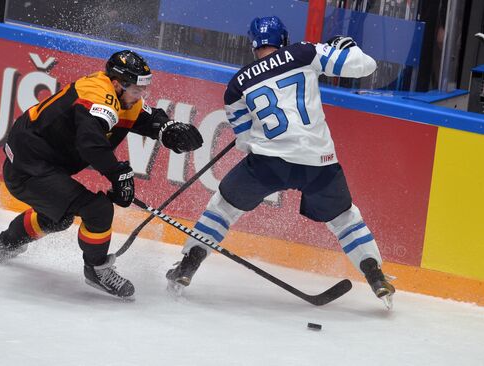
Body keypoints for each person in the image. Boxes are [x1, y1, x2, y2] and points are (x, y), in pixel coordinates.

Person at [166, 16, 395, 308]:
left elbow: (245, 140)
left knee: (223, 208)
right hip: (319, 163)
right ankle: (376, 277)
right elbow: (366, 65)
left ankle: (188, 265)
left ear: (253, 45)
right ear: (283, 39)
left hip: (268, 163)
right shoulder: (304, 52)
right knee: (345, 218)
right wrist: (346, 47)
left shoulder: (237, 85)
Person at [0, 50, 203, 299]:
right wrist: (118, 174)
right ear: (118, 83)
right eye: (138, 89)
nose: (142, 95)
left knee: (57, 218)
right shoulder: (98, 95)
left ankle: (2, 245)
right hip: (28, 167)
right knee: (98, 210)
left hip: (40, 162)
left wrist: (167, 129)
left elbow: (143, 116)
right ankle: (97, 270)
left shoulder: (122, 96)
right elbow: (90, 143)